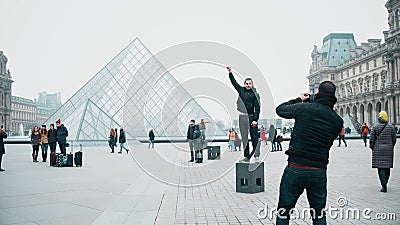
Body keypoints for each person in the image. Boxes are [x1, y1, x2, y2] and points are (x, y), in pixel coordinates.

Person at [275, 81, 343, 224]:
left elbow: (281, 109)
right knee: (318, 213)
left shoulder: (305, 108)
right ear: (333, 96)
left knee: (284, 211)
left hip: (296, 168)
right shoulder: (337, 121)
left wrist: (300, 99)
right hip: (319, 171)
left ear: (318, 93)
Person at [227, 66, 261, 162]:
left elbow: (258, 108)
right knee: (244, 138)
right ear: (244, 84)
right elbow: (234, 83)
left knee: (254, 138)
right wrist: (230, 73)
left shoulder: (255, 94)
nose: (248, 85)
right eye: (246, 83)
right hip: (242, 117)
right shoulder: (241, 90)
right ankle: (246, 156)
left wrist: (255, 120)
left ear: (252, 84)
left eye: (250, 83)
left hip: (251, 117)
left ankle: (256, 155)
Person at [369, 111, 397, 193]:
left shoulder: (375, 127)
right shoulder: (391, 127)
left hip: (377, 150)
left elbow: (371, 139)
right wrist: (391, 146)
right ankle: (386, 182)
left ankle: (383, 185)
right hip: (388, 150)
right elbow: (394, 139)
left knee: (380, 168)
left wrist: (372, 147)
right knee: (387, 167)